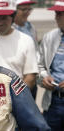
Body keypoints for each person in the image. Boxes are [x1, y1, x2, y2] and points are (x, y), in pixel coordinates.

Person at [0, 0, 38, 95]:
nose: (0, 23)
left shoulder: (26, 40)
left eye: (4, 18)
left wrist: (14, 97)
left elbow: (30, 76)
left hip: (16, 100)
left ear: (13, 17)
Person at [38, 0, 64, 130]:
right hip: (53, 102)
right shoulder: (49, 37)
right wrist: (43, 78)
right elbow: (40, 66)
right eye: (56, 13)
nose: (56, 17)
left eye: (60, 13)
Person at [13, 0, 38, 99]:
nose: (27, 12)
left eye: (29, 9)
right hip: (15, 83)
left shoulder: (31, 27)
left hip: (31, 81)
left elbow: (36, 51)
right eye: (24, 9)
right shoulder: (9, 30)